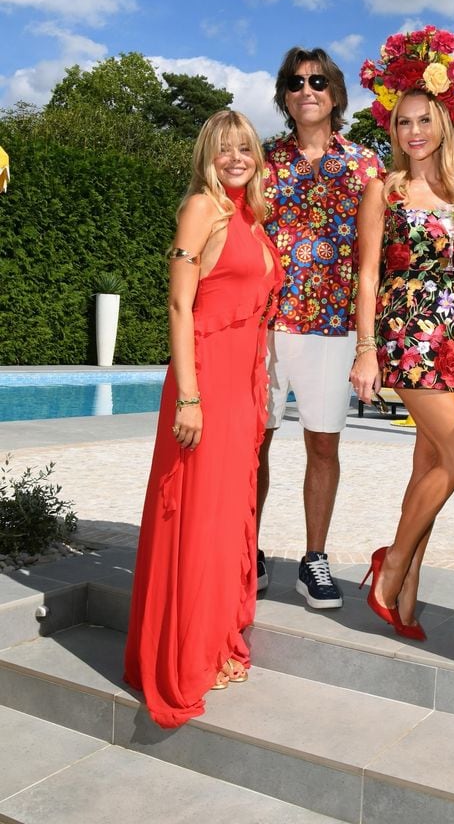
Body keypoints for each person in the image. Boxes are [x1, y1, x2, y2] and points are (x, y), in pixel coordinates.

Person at [124, 110, 282, 728]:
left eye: (245, 148)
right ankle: (181, 661)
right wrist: (189, 396)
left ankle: (213, 645)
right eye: (224, 150)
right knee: (194, 518)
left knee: (221, 519)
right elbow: (179, 304)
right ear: (206, 157)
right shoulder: (202, 208)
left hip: (240, 388)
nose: (236, 158)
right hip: (205, 383)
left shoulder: (249, 215)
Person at [352, 26, 454, 639]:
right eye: (403, 122)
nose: (413, 132)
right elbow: (367, 273)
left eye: (423, 121)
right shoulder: (386, 189)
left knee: (428, 469)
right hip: (406, 334)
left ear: (442, 124)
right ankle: (391, 565)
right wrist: (364, 351)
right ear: (393, 128)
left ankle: (407, 599)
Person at [258, 47, 384, 609]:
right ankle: (246, 551)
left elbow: (370, 264)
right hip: (263, 324)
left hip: (331, 328)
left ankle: (314, 559)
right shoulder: (262, 160)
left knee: (323, 446)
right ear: (285, 96)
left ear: (334, 93)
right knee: (250, 444)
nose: (305, 89)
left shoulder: (365, 165)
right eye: (294, 82)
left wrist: (366, 346)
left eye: (316, 81)